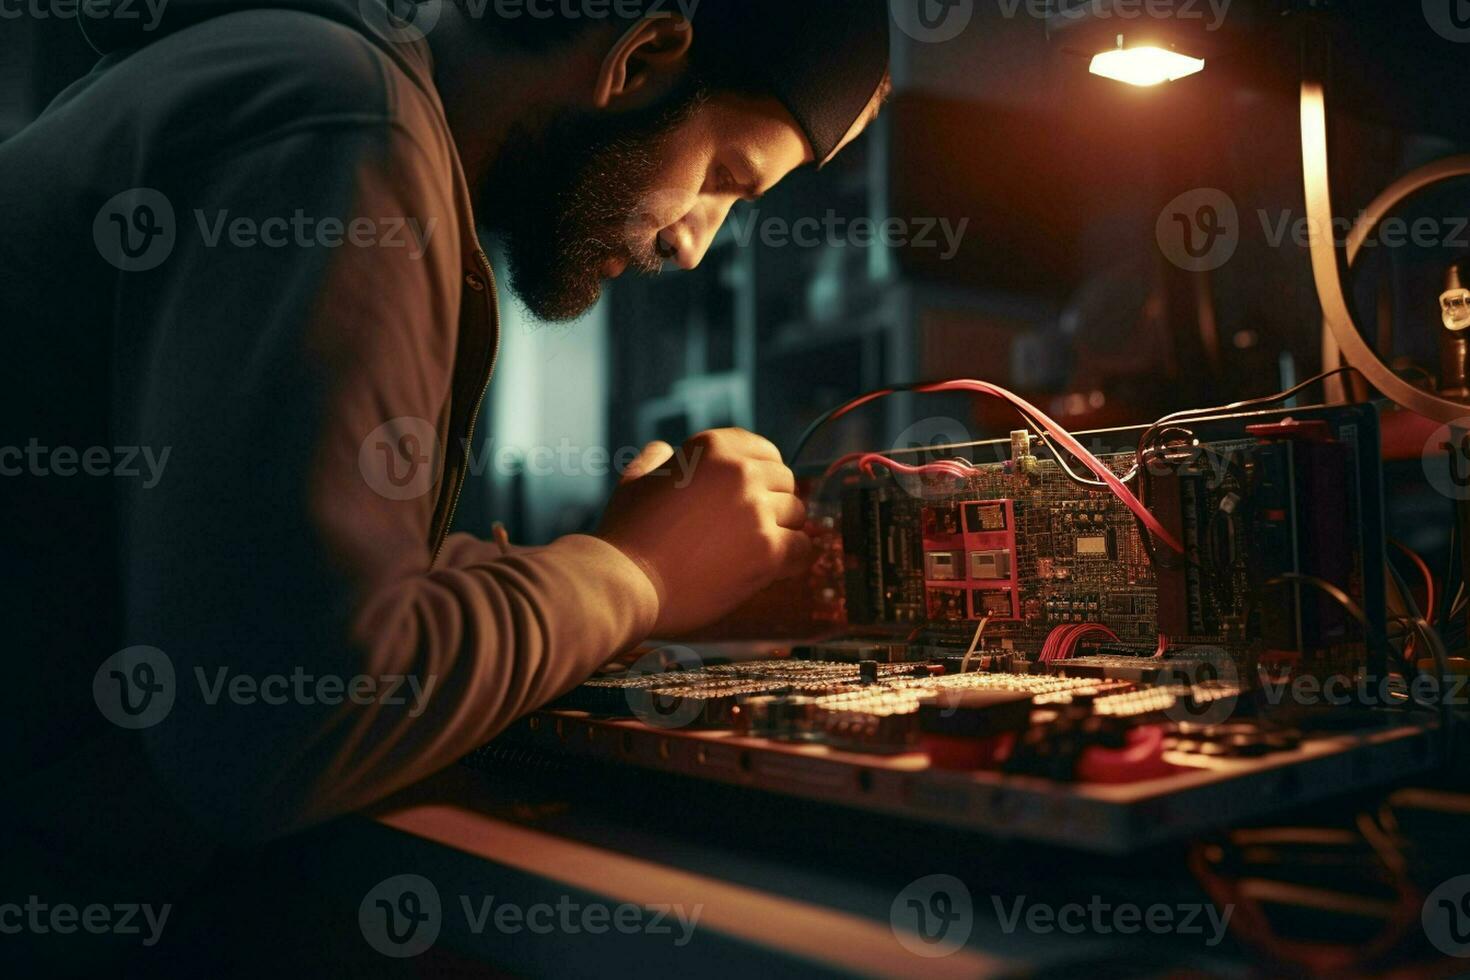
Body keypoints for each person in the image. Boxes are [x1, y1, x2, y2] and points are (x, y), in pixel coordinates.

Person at [0, 0, 892, 966]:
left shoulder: (306, 83)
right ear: (642, 57)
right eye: (723, 177)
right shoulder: (343, 122)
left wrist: (626, 585)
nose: (695, 243)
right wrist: (634, 574)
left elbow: (254, 571)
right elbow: (279, 724)